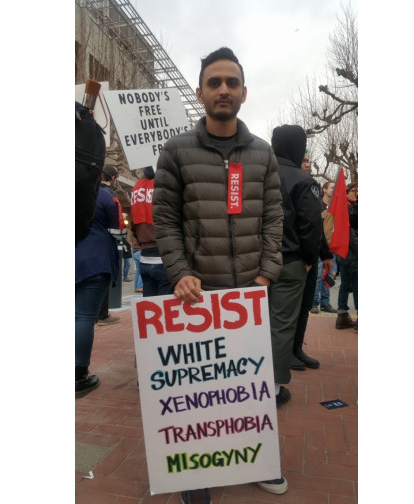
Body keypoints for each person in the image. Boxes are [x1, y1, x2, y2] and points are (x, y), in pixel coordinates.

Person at [153, 46, 287, 503]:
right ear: (200, 92)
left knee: (252, 386)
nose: (223, 90)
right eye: (215, 82)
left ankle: (260, 460)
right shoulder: (175, 151)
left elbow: (274, 218)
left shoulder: (263, 154)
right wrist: (178, 273)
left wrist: (266, 275)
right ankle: (195, 471)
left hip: (250, 296)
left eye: (231, 82)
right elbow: (165, 219)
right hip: (198, 296)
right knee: (200, 392)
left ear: (245, 93)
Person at [269, 126, 328, 375]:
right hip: (292, 259)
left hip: (261, 260)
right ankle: (274, 386)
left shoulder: (260, 175)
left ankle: (294, 352)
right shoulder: (303, 181)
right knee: (283, 323)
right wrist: (308, 258)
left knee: (267, 319)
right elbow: (311, 224)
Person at [75, 181, 123, 398]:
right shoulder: (104, 197)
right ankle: (78, 375)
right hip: (94, 260)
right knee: (84, 318)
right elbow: (117, 230)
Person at [131, 166, 172, 297]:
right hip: (163, 257)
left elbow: (133, 224)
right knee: (166, 311)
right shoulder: (163, 187)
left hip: (144, 258)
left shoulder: (137, 188)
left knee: (150, 311)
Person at [96, 166, 123, 326]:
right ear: (113, 178)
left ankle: (96, 313)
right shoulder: (110, 196)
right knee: (104, 278)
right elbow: (117, 229)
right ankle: (103, 314)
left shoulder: (90, 192)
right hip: (105, 244)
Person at [311, 180, 338, 313]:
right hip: (320, 247)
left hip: (331, 247)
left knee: (328, 276)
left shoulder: (335, 207)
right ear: (325, 190)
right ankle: (314, 302)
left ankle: (325, 303)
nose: (334, 190)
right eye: (332, 188)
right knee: (317, 276)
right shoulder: (317, 205)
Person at [335, 182, 358, 330]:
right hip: (351, 253)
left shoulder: (345, 207)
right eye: (354, 191)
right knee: (357, 285)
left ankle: (342, 316)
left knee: (345, 285)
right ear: (346, 193)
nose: (356, 193)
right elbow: (351, 233)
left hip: (343, 253)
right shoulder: (348, 208)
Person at [126, 221, 143, 293]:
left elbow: (129, 241)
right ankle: (139, 286)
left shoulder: (130, 232)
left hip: (135, 252)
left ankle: (136, 287)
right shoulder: (138, 232)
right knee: (141, 271)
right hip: (139, 251)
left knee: (138, 271)